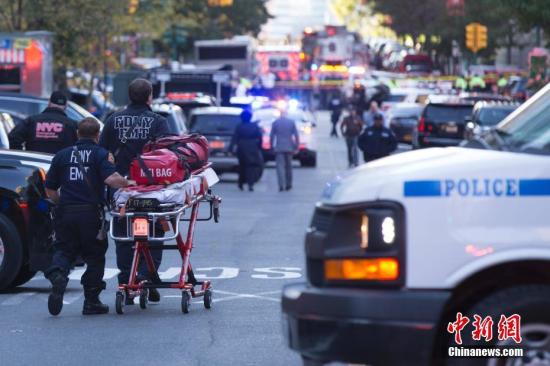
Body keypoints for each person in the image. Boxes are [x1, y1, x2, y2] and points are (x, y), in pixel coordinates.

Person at [44, 117, 131, 316]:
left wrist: (60, 204)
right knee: (94, 256)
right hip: (91, 214)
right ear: (97, 135)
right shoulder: (100, 154)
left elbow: (50, 188)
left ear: (77, 133)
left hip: (66, 212)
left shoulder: (62, 155)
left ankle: (58, 274)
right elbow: (111, 180)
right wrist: (129, 183)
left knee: (64, 250)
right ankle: (91, 301)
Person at [99, 78, 169, 304]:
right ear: (150, 96)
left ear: (129, 96)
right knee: (155, 234)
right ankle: (146, 276)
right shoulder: (158, 121)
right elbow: (167, 156)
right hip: (151, 189)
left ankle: (126, 281)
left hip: (122, 190)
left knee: (123, 235)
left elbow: (103, 155)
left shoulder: (113, 120)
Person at [9, 91, 77, 154]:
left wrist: (22, 156)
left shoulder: (31, 121)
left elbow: (13, 137)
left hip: (34, 164)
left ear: (49, 102)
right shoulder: (71, 125)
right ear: (66, 106)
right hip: (60, 165)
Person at [230, 110, 263, 191]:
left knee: (242, 166)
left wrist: (231, 148)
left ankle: (241, 183)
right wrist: (259, 147)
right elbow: (260, 137)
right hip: (252, 147)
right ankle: (250, 184)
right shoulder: (254, 126)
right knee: (251, 166)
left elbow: (235, 138)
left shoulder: (239, 126)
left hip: (241, 147)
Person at [270, 108, 299, 192]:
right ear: (286, 113)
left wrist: (272, 146)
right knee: (289, 167)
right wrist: (296, 146)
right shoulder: (291, 122)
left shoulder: (275, 123)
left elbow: (272, 136)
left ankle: (281, 185)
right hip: (289, 147)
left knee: (280, 167)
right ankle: (288, 184)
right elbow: (296, 135)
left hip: (279, 147)